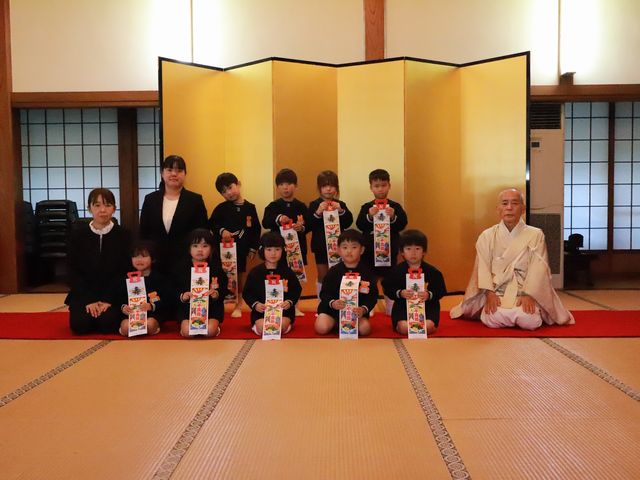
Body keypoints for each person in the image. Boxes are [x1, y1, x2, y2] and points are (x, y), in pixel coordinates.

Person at [451, 188, 575, 330]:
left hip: (524, 292)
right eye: (504, 203)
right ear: (498, 209)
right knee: (491, 317)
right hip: (497, 292)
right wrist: (489, 293)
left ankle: (522, 310)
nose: (509, 208)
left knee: (529, 320)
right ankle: (499, 310)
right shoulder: (487, 236)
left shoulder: (535, 235)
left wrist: (529, 295)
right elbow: (482, 267)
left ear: (523, 209)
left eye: (514, 203)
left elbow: (538, 268)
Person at [66, 188, 130, 334]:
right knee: (80, 325)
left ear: (114, 208)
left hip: (114, 295)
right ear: (89, 208)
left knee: (108, 324)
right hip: (84, 293)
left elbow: (125, 271)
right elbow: (72, 270)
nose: (102, 210)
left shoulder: (124, 235)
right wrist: (89, 300)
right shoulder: (77, 235)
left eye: (107, 205)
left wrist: (108, 299)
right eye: (97, 205)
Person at [139, 155, 208, 274]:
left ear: (185, 174)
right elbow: (143, 231)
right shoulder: (150, 199)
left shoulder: (195, 200)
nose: (174, 174)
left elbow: (202, 232)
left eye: (179, 170)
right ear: (162, 173)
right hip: (155, 262)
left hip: (186, 261)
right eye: (169, 170)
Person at [356, 169, 408, 315]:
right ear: (371, 187)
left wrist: (393, 217)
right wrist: (369, 216)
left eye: (383, 185)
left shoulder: (395, 207)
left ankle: (391, 305)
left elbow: (403, 224)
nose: (380, 189)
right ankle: (368, 305)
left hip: (388, 250)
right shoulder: (366, 207)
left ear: (389, 186)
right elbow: (360, 224)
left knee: (389, 278)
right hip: (370, 251)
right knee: (368, 279)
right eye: (376, 186)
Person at [208, 172, 261, 317]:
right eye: (224, 191)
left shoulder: (250, 207)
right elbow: (212, 224)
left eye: (230, 188)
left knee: (240, 275)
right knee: (222, 275)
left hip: (242, 248)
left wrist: (253, 248)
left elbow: (256, 229)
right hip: (223, 250)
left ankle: (239, 304)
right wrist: (222, 231)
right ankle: (220, 303)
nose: (229, 193)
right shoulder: (221, 208)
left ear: (238, 184)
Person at [262, 168, 310, 316]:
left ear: (296, 186)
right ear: (277, 187)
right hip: (279, 250)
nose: (285, 187)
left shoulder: (301, 206)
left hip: (297, 249)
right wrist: (279, 219)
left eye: (289, 184)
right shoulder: (273, 206)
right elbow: (265, 222)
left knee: (296, 278)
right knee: (280, 276)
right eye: (281, 184)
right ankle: (277, 304)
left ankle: (295, 305)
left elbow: (309, 225)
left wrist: (301, 227)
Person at [315, 229, 378, 337]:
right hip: (332, 311)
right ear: (338, 250)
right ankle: (335, 323)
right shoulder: (333, 271)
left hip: (355, 314)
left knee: (365, 329)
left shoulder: (367, 272)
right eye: (345, 247)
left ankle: (342, 325)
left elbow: (373, 296)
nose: (349, 251)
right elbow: (324, 293)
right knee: (321, 327)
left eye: (354, 247)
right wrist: (333, 303)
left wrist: (363, 309)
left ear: (362, 250)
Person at [382, 230, 446, 335]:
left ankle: (429, 327)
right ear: (402, 252)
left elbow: (441, 290)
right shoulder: (396, 271)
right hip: (402, 307)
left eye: (417, 249)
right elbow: (387, 287)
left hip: (427, 307)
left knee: (428, 326)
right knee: (404, 328)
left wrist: (428, 294)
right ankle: (407, 327)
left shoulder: (433, 271)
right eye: (408, 249)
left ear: (424, 251)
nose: (413, 253)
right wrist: (400, 293)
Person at [242, 232, 302, 336]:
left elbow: (296, 289)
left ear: (283, 250)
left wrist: (289, 302)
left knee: (279, 326)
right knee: (264, 328)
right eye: (269, 250)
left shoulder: (287, 272)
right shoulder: (255, 272)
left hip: (284, 312)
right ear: (262, 250)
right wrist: (255, 304)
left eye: (277, 249)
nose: (273, 253)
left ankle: (286, 326)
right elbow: (247, 293)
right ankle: (258, 326)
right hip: (261, 312)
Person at [308, 170, 353, 297]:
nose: (328, 189)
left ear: (336, 188)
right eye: (324, 186)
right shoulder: (314, 204)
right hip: (321, 246)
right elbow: (309, 225)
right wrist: (318, 212)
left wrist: (341, 211)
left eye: (332, 186)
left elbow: (348, 222)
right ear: (319, 188)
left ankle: (340, 300)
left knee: (339, 274)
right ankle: (321, 302)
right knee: (322, 275)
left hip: (338, 246)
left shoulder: (340, 204)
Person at [176, 229, 228, 338]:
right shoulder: (181, 268)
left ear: (211, 249)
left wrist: (216, 294)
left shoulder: (216, 269)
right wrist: (183, 296)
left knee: (209, 331)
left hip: (212, 309)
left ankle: (215, 328)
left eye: (205, 246)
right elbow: (173, 289)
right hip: (187, 309)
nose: (200, 250)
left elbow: (224, 289)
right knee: (188, 332)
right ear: (189, 248)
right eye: (195, 246)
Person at [114, 240, 170, 337]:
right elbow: (117, 298)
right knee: (126, 327)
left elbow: (167, 298)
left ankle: (148, 328)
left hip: (152, 314)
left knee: (150, 325)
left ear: (153, 259)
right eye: (135, 256)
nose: (139, 260)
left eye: (144, 256)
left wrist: (151, 306)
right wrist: (123, 307)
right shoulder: (125, 278)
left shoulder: (159, 278)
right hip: (131, 314)